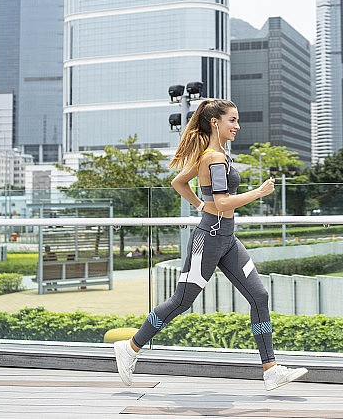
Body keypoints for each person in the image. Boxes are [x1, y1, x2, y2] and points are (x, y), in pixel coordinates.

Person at [113, 99, 307, 391]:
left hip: (227, 238)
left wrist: (199, 202)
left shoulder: (216, 155)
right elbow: (223, 202)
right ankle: (130, 348)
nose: (238, 126)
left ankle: (271, 370)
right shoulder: (213, 158)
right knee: (181, 301)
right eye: (232, 120)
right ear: (216, 122)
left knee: (259, 296)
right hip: (209, 238)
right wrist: (259, 192)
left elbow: (180, 182)